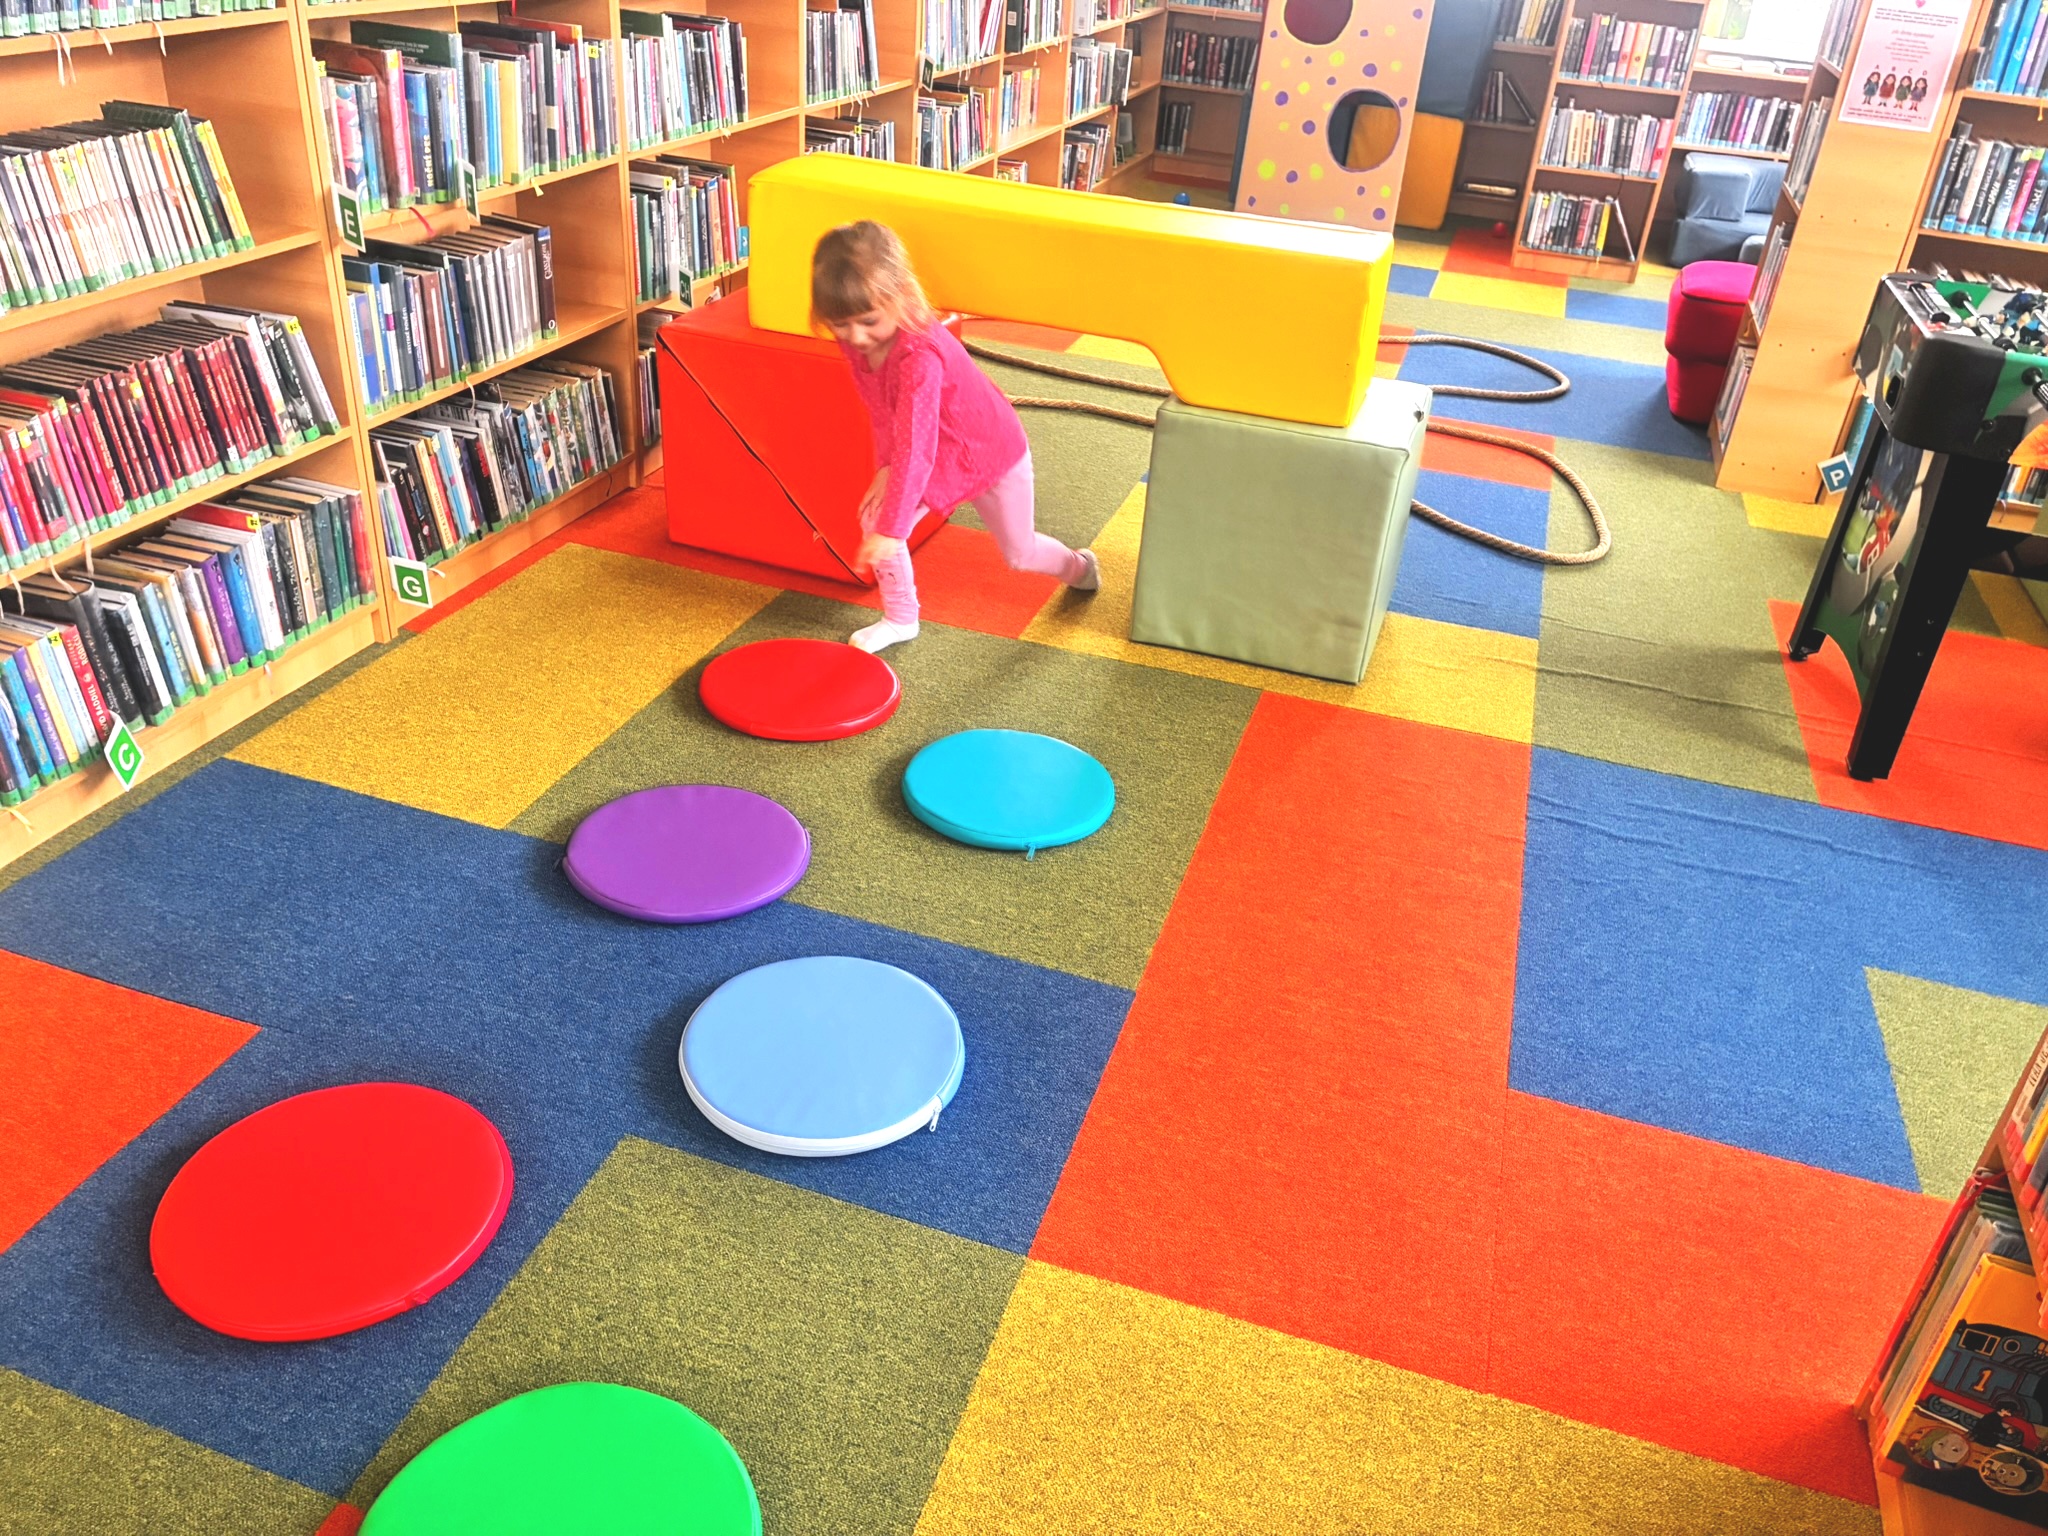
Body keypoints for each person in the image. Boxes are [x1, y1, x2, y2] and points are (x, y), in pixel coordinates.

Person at [811, 221, 1099, 654]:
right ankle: (901, 617)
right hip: (938, 451)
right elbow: (884, 413)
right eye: (840, 324)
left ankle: (1079, 567)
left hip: (991, 451)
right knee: (876, 517)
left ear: (901, 296)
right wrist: (885, 470)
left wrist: (892, 526)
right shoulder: (860, 341)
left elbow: (917, 448)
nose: (855, 336)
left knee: (1019, 553)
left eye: (867, 321)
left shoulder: (919, 358)